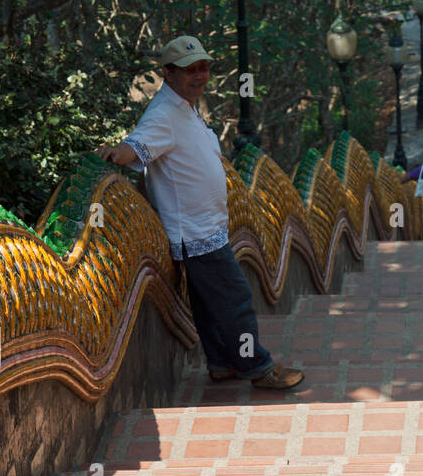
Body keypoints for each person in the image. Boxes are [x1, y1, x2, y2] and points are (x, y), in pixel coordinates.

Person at [95, 36, 304, 390]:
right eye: (190, 70)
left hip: (204, 227)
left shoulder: (184, 107)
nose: (200, 75)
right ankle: (258, 367)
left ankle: (223, 362)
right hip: (193, 231)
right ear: (168, 73)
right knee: (236, 299)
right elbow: (136, 145)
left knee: (209, 304)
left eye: (204, 68)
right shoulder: (163, 114)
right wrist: (115, 152)